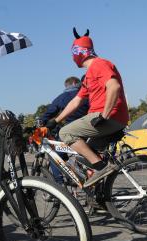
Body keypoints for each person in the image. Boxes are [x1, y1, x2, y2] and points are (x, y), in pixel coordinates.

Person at [46, 28, 129, 187]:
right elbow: (76, 101)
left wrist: (104, 115)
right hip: (110, 118)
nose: (72, 58)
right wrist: (56, 120)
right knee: (85, 154)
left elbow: (114, 86)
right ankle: (100, 196)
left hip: (108, 117)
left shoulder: (99, 64)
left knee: (66, 132)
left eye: (72, 54)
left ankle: (102, 168)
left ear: (79, 52)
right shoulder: (90, 74)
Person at [40, 76, 89, 184]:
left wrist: (42, 122)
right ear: (76, 83)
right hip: (91, 131)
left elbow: (49, 113)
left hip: (72, 133)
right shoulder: (87, 94)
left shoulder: (62, 97)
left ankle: (60, 184)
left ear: (68, 85)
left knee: (55, 155)